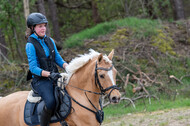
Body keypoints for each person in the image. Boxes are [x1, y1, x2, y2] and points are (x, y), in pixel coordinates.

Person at [25, 12, 68, 126]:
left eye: (44, 25)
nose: (43, 28)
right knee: (50, 102)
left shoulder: (50, 40)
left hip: (54, 76)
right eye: (40, 26)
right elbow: (33, 68)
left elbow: (58, 58)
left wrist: (68, 67)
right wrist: (49, 74)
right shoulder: (30, 44)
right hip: (41, 80)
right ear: (33, 28)